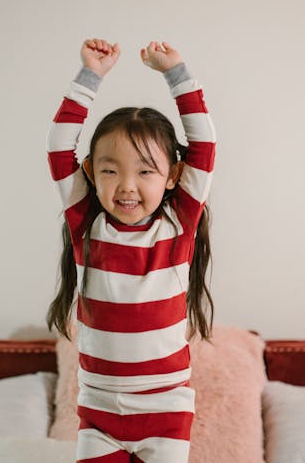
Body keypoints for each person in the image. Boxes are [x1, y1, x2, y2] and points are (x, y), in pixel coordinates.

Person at [46, 38, 216, 463]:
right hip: (99, 412)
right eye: (110, 170)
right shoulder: (86, 223)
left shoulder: (180, 225)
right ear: (90, 172)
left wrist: (175, 73)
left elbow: (205, 145)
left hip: (165, 410)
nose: (126, 186)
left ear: (173, 175)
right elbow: (57, 146)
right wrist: (91, 75)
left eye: (145, 171)